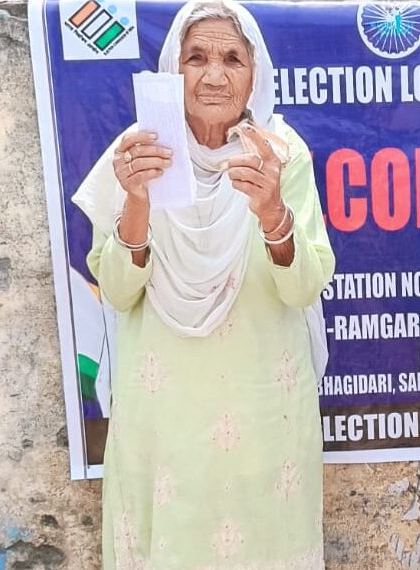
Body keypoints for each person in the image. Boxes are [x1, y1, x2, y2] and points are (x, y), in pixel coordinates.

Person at [72, 1, 334, 568]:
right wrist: (137, 203)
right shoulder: (139, 157)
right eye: (197, 57)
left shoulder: (281, 155)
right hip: (162, 420)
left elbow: (304, 287)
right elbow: (116, 292)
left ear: (254, 74)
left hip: (265, 415)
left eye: (232, 59)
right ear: (174, 71)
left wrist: (272, 213)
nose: (215, 75)